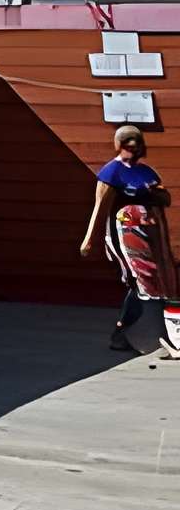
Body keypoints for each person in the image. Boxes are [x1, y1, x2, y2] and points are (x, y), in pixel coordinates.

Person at [82, 124, 180, 357]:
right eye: (129, 142)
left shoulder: (146, 172)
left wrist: (153, 192)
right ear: (119, 145)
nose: (134, 147)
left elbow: (164, 198)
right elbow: (99, 208)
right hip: (125, 238)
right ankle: (128, 332)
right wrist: (89, 240)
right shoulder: (111, 173)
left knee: (162, 284)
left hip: (153, 238)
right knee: (139, 284)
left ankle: (142, 334)